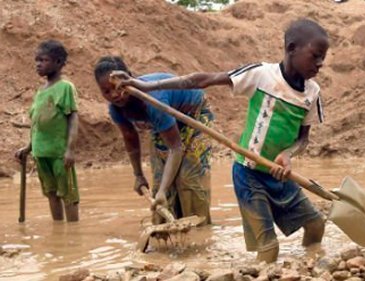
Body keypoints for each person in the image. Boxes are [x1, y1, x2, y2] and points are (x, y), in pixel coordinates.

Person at [112, 18, 328, 263]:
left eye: (323, 57)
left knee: (316, 225)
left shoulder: (313, 93)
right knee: (269, 249)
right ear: (291, 48)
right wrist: (146, 85)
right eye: (315, 56)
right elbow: (200, 80)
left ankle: (311, 263)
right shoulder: (261, 75)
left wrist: (289, 153)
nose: (320, 63)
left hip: (279, 174)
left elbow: (303, 139)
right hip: (249, 175)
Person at [93, 56, 213, 225]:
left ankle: (200, 234)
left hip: (193, 115)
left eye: (117, 87)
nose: (114, 95)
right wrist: (138, 175)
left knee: (189, 181)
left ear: (129, 78)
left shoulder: (152, 100)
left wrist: (163, 190)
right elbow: (131, 140)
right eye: (106, 91)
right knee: (160, 184)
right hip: (163, 124)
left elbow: (175, 148)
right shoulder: (116, 109)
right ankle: (167, 230)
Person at [15, 40, 80, 222]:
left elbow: (73, 119)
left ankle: (73, 236)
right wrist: (28, 148)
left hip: (59, 153)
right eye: (37, 60)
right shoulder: (40, 91)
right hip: (41, 153)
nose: (38, 64)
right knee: (51, 193)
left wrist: (70, 149)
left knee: (68, 194)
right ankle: (58, 228)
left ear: (58, 63)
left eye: (43, 60)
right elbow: (36, 124)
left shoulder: (65, 87)